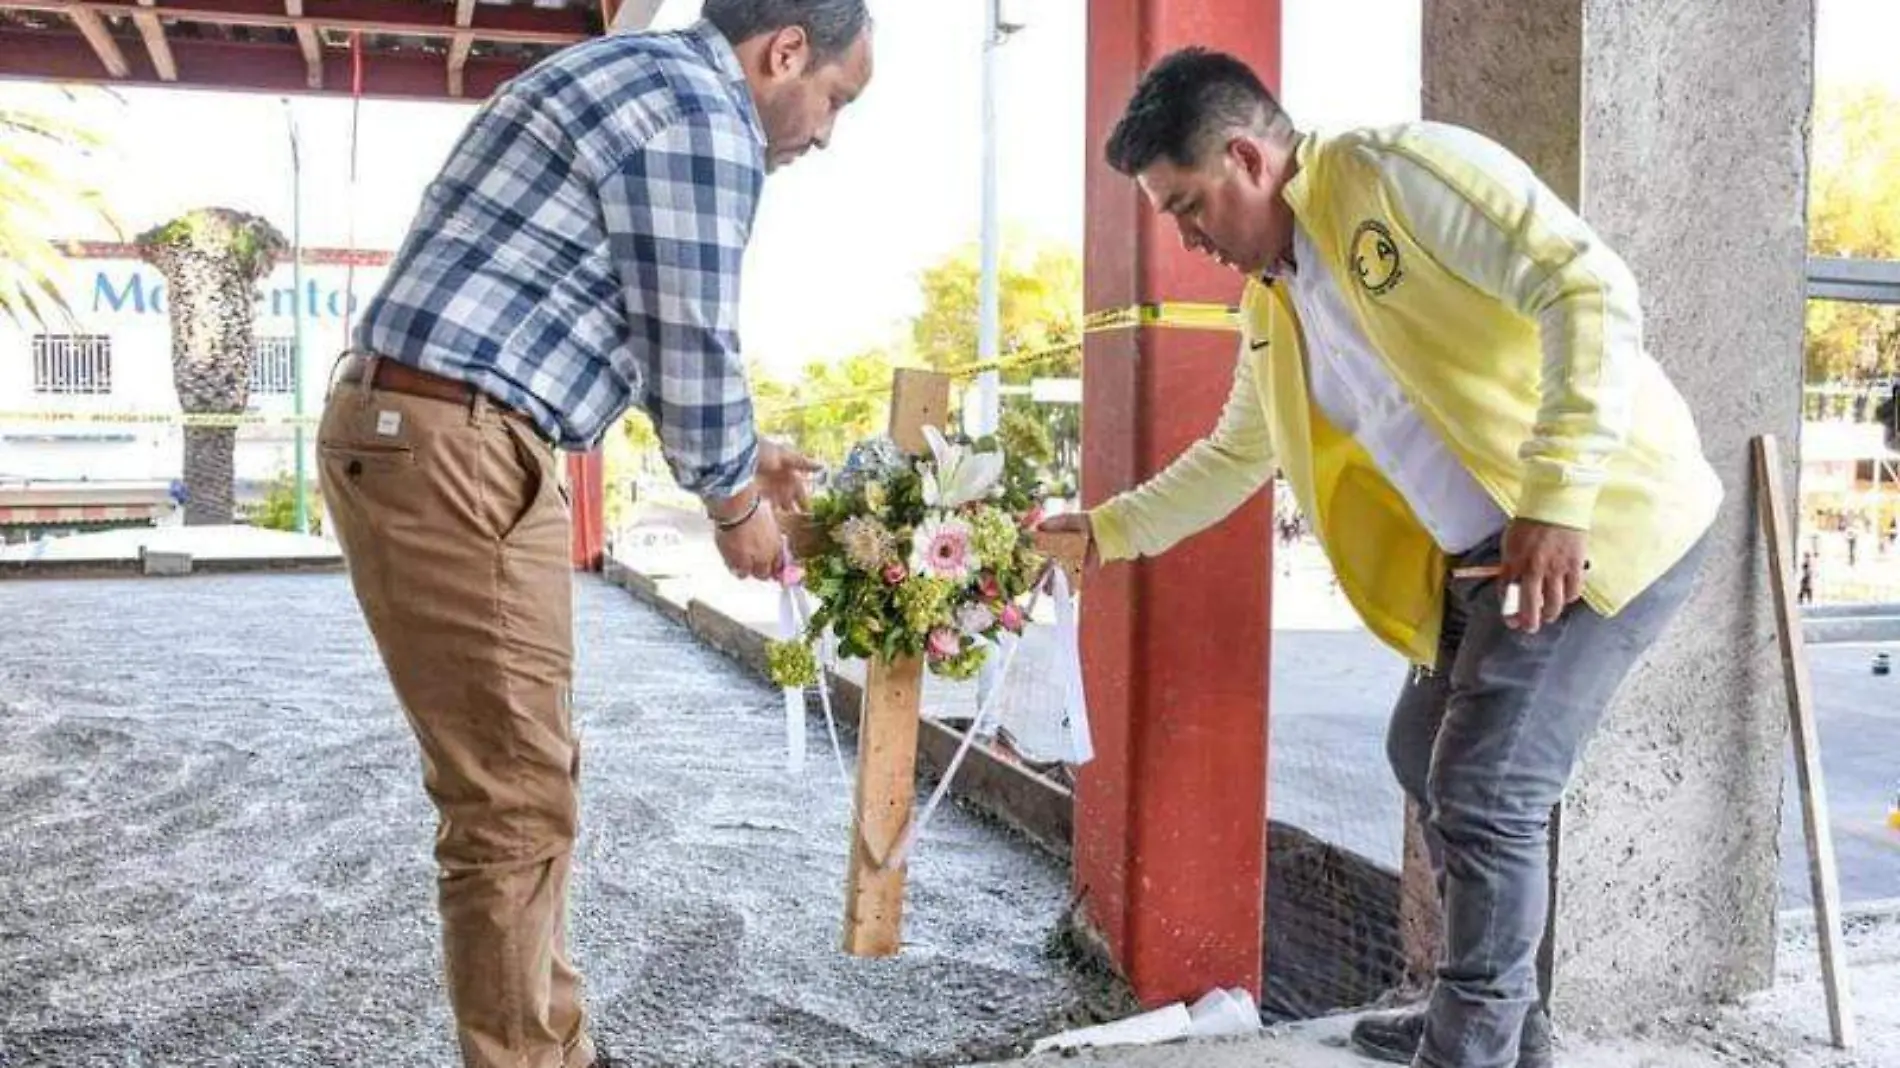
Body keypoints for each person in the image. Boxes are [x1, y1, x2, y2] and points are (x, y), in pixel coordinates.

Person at [1040, 48, 1720, 1068]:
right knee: (1423, 751)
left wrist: (1557, 497)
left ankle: (1469, 1043)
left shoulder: (1398, 176)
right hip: (1483, 555)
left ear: (1245, 157)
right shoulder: (1274, 305)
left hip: (1598, 527)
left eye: (1188, 207)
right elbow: (1238, 456)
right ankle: (1496, 1024)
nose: (1186, 240)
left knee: (1486, 786)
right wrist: (1102, 531)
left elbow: (1586, 287)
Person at [315, 4, 873, 1066]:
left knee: (526, 773)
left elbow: (615, 319)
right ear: (784, 51)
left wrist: (742, 455)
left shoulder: (630, 78)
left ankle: (549, 1041)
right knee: (512, 791)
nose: (825, 130)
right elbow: (690, 337)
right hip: (458, 439)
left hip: (450, 429)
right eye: (835, 98)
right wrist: (737, 510)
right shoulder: (703, 114)